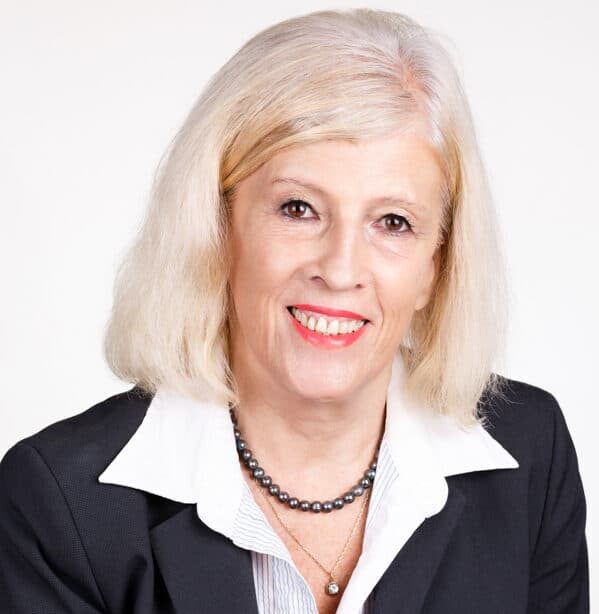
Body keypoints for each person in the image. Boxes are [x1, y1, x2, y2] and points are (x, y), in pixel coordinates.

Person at [0, 8, 589, 614]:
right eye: (298, 208)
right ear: (216, 227)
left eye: (393, 222)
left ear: (434, 266)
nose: (339, 268)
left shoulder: (530, 453)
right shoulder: (63, 505)